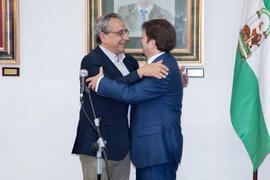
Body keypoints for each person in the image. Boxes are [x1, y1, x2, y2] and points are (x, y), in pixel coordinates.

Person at [72, 13, 171, 180]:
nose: (126, 37)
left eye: (126, 31)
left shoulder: (129, 62)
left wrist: (171, 81)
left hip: (122, 144)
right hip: (96, 143)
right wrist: (139, 72)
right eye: (120, 33)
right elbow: (109, 88)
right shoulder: (91, 61)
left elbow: (137, 90)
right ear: (103, 36)